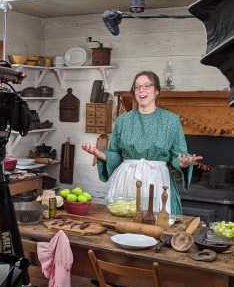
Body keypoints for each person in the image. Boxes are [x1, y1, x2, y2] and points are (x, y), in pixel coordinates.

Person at [80, 70, 202, 217]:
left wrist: (184, 163)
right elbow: (116, 155)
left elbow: (178, 157)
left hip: (157, 181)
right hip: (127, 179)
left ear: (156, 90)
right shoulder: (123, 120)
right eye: (137, 87)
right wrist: (101, 154)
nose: (141, 90)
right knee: (124, 221)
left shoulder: (171, 121)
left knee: (156, 225)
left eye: (146, 86)